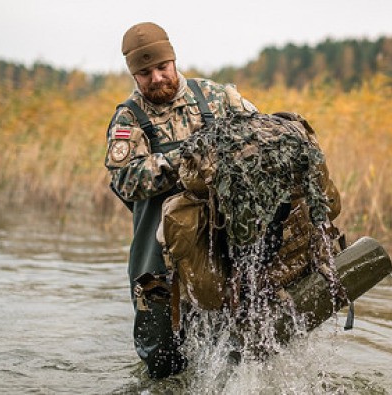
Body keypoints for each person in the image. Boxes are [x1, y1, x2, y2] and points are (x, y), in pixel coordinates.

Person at [103, 21, 257, 379]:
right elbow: (125, 180)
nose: (156, 78)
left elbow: (262, 136)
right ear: (134, 75)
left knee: (228, 352)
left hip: (217, 248)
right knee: (160, 362)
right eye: (145, 73)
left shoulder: (218, 97)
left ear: (174, 61)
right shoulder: (128, 119)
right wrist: (186, 159)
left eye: (162, 67)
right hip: (156, 261)